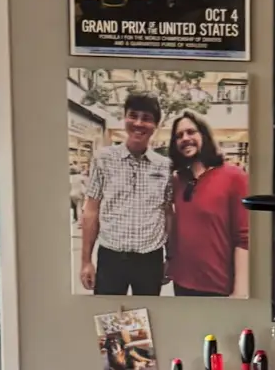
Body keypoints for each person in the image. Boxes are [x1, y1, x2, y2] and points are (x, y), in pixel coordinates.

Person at [79, 91, 170, 295]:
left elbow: (167, 214)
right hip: (111, 257)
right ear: (125, 118)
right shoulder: (103, 159)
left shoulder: (164, 166)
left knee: (150, 311)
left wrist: (170, 258)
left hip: (150, 259)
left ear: (155, 125)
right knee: (108, 313)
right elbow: (91, 211)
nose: (138, 123)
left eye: (146, 118)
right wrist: (86, 261)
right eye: (133, 116)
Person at [164, 111, 249, 297]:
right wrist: (169, 261)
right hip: (181, 283)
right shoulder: (178, 180)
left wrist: (240, 291)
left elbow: (244, 239)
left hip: (217, 287)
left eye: (191, 132)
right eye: (179, 136)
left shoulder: (234, 177)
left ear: (204, 135)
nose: (185, 138)